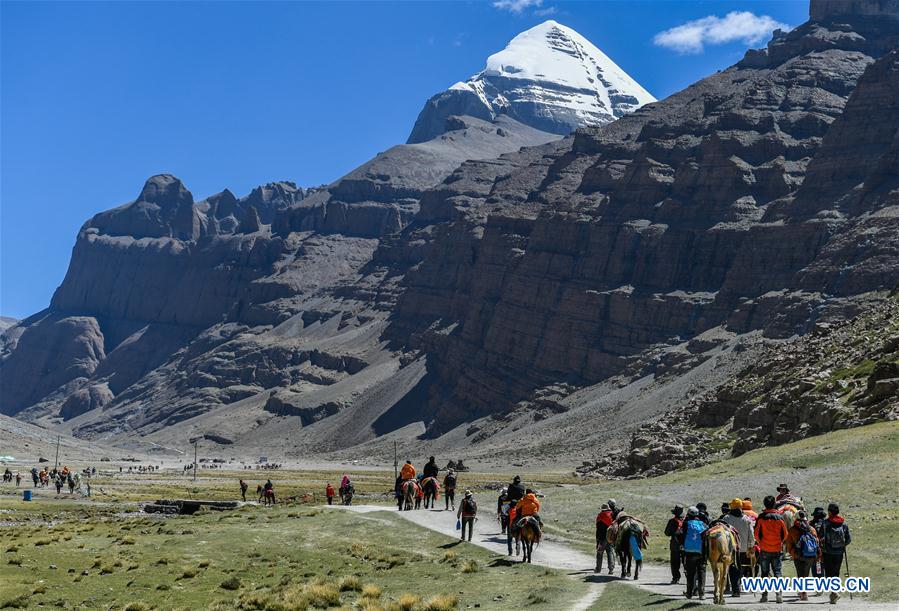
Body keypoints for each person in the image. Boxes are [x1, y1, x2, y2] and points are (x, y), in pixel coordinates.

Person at [754, 495, 788, 603]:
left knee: (764, 573)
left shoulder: (761, 517)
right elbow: (785, 534)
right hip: (777, 549)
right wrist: (780, 543)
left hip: (764, 549)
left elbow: (756, 534)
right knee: (777, 572)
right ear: (774, 504)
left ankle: (764, 596)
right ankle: (779, 595)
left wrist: (761, 544)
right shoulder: (780, 518)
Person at [722, 498, 755, 597]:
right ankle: (738, 586)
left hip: (730, 549)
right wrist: (750, 546)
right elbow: (751, 535)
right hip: (743, 549)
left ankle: (736, 589)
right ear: (741, 507)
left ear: (731, 507)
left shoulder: (726, 519)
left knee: (732, 569)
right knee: (741, 568)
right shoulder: (746, 519)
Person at [786, 510, 821, 601]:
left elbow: (789, 544)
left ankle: (803, 593)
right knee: (806, 573)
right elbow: (816, 542)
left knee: (800, 574)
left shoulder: (792, 530)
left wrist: (793, 553)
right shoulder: (811, 529)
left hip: (798, 555)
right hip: (810, 554)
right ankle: (803, 592)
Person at [821, 503, 851, 605]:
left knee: (828, 574)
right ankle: (834, 594)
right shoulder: (843, 524)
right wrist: (842, 546)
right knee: (836, 572)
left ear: (829, 512)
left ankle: (834, 593)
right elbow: (848, 539)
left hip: (828, 552)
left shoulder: (825, 523)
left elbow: (821, 536)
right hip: (839, 553)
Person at [678, 506, 707, 599]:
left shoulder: (686, 523)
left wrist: (681, 544)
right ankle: (701, 594)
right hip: (701, 552)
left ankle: (689, 593)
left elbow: (681, 535)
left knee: (690, 573)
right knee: (701, 572)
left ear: (689, 514)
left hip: (689, 551)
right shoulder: (702, 524)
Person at [663, 505, 684, 584]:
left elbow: (667, 533)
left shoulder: (671, 521)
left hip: (675, 545)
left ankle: (676, 578)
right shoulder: (685, 521)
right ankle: (689, 577)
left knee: (675, 562)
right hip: (685, 545)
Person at [596, 503, 615, 574]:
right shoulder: (611, 515)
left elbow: (598, 529)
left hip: (602, 538)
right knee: (610, 552)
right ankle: (611, 569)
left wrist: (598, 539)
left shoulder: (600, 516)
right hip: (610, 537)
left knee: (599, 553)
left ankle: (598, 569)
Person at [810, 506, 827, 578]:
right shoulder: (827, 523)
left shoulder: (810, 524)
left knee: (815, 569)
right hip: (825, 551)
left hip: (813, 551)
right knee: (822, 569)